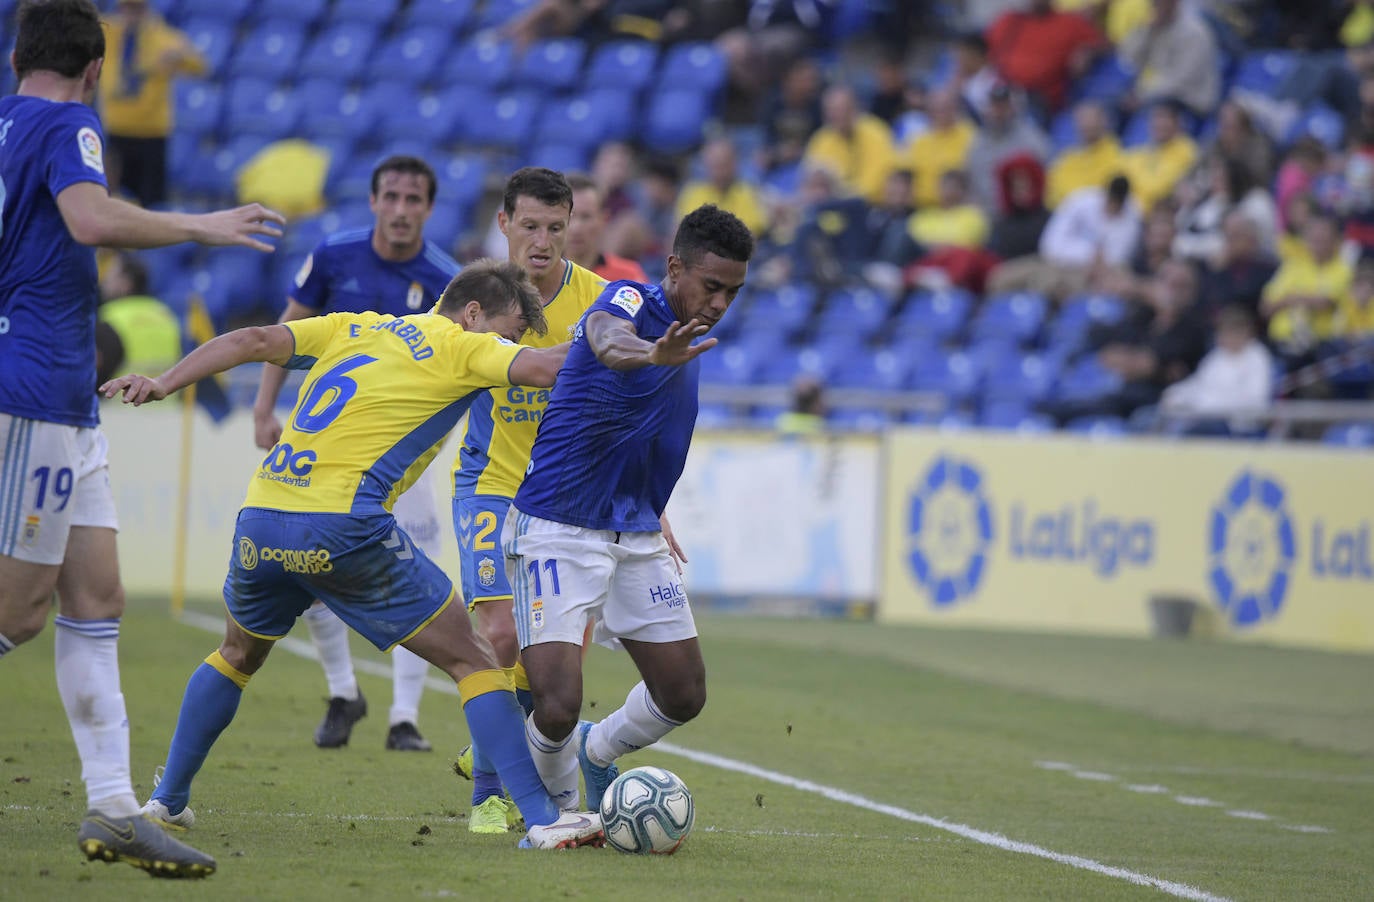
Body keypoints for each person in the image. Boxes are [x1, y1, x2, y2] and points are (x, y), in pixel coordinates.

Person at [102, 260, 603, 852]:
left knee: (236, 653)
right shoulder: (461, 344)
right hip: (343, 525)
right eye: (509, 331)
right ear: (473, 313)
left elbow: (253, 340)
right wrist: (621, 327)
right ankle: (545, 820)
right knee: (474, 659)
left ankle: (166, 802)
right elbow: (548, 367)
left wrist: (164, 383)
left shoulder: (356, 326)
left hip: (262, 517)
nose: (508, 346)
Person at [0, 0, 284, 878]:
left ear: (18, 57)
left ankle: (115, 807)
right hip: (40, 390)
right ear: (93, 71)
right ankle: (116, 804)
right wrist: (203, 225)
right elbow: (89, 219)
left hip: (63, 397)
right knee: (18, 611)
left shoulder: (9, 120)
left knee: (97, 601)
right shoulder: (67, 122)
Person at [506, 204, 754, 812]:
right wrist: (650, 354)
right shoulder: (628, 303)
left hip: (635, 532)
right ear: (675, 267)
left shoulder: (691, 336)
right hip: (558, 525)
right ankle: (562, 816)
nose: (721, 302)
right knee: (557, 705)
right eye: (712, 285)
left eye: (733, 291)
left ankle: (597, 753)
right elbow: (606, 341)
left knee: (683, 693)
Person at [252, 155, 460, 754]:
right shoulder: (334, 255)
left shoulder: (445, 280)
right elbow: (285, 332)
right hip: (326, 448)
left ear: (428, 208)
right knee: (305, 562)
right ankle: (344, 692)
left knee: (422, 567)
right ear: (373, 201)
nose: (400, 210)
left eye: (413, 200)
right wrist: (265, 410)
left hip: (401, 455)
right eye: (390, 197)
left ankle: (404, 717)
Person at [450, 168, 607, 834]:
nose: (541, 242)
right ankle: (489, 791)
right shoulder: (473, 300)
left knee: (549, 663)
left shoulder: (600, 303)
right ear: (504, 224)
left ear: (571, 226)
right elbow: (427, 376)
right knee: (499, 636)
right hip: (488, 486)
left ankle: (497, 743)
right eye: (529, 227)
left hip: (563, 505)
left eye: (555, 227)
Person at [97, 0, 205, 207]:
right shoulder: (108, 33)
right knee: (112, 198)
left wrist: (181, 56)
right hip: (117, 128)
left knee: (151, 202)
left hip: (152, 132)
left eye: (137, 9)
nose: (132, 15)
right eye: (127, 9)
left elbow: (199, 65)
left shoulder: (162, 37)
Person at [565, 172, 649, 283]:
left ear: (603, 219)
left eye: (586, 217)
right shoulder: (543, 273)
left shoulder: (629, 276)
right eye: (569, 216)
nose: (576, 228)